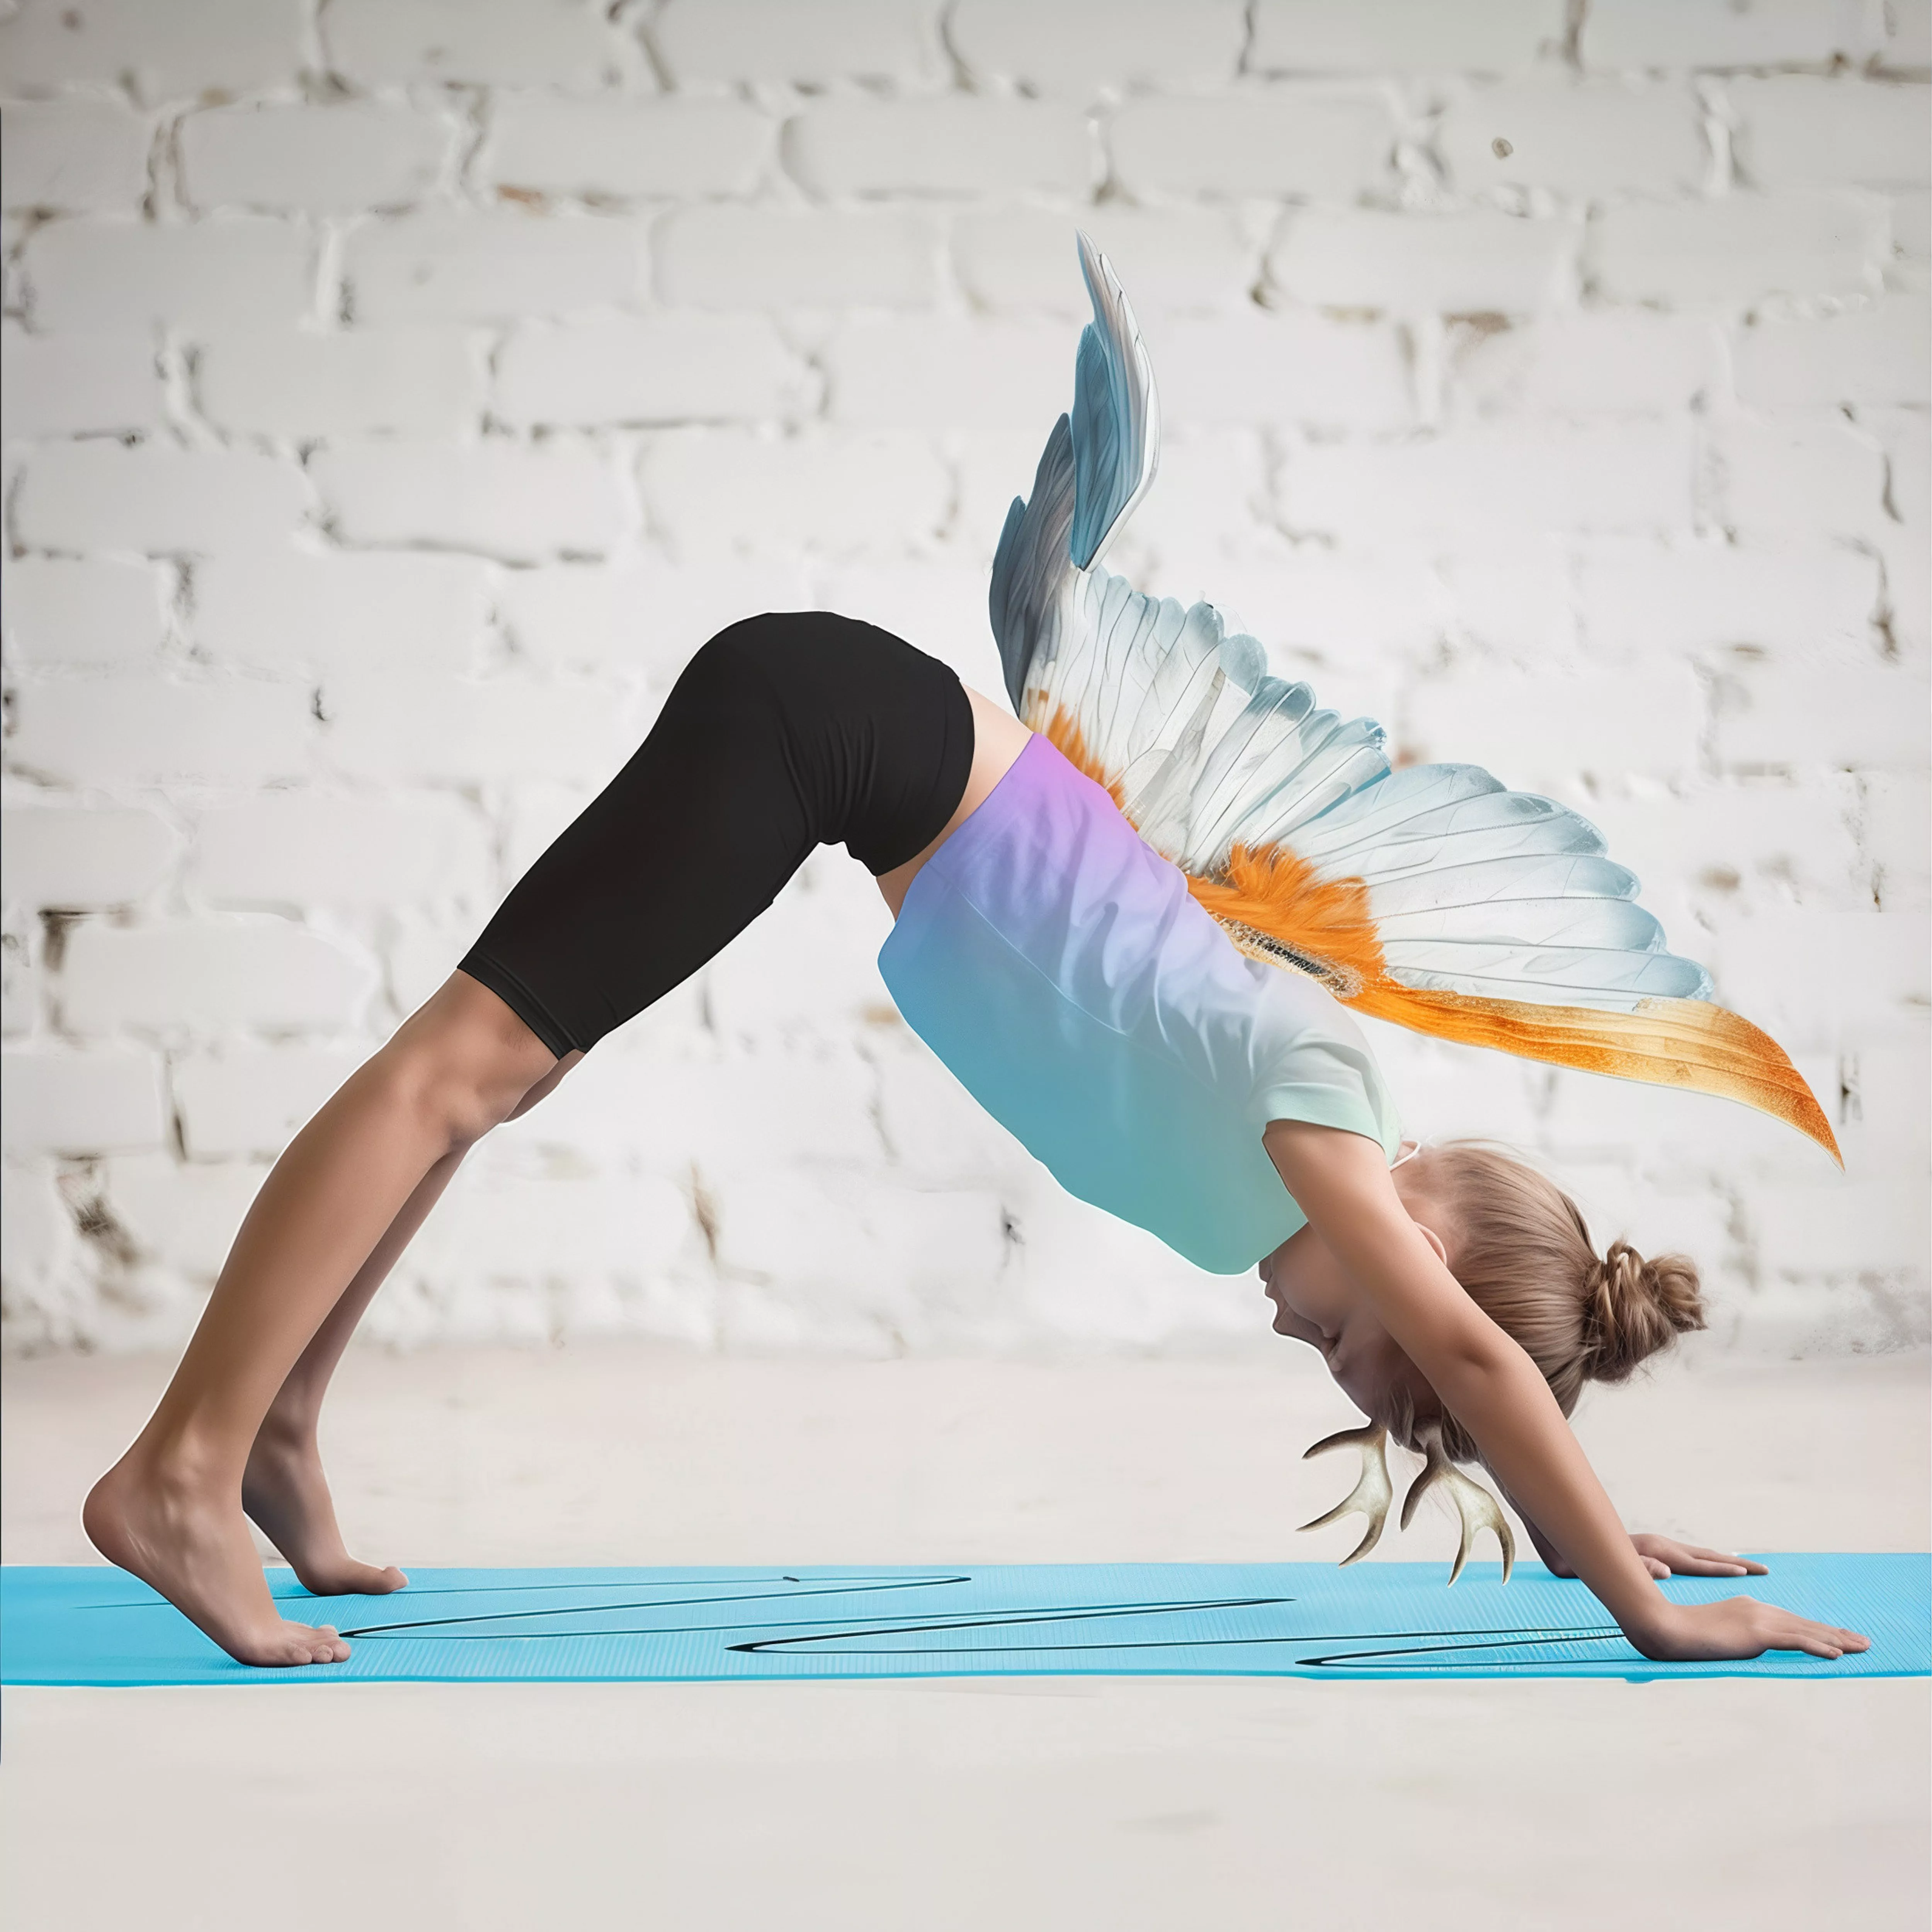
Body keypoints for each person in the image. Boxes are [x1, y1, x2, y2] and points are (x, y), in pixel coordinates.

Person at [83, 241, 1868, 1670]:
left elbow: (1473, 1376)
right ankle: (173, 1470)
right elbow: (1477, 1364)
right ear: (1433, 1244)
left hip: (840, 748)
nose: (1318, 1339)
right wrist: (1636, 1605)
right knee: (458, 1064)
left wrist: (1580, 1519)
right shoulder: (1317, 1099)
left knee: (503, 1075)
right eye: (1359, 1343)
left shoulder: (1271, 1167)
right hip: (823, 725)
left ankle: (279, 1435)